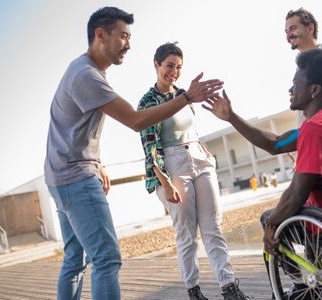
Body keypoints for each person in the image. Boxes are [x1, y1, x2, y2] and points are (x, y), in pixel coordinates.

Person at [44, 7, 223, 300]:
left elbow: (73, 128)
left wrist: (99, 162)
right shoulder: (86, 75)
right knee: (106, 259)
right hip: (75, 177)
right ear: (100, 35)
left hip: (61, 175)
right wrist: (186, 97)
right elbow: (136, 120)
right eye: (124, 36)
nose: (128, 44)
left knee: (75, 260)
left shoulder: (84, 70)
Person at [204, 48, 322, 299]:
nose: (290, 90)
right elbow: (275, 143)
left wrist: (272, 225)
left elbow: (296, 194)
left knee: (269, 218)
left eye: (295, 84)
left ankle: (300, 284)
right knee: (278, 214)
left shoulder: (315, 129)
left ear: (314, 90)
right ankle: (307, 280)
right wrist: (231, 117)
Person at [137, 43, 249, 300]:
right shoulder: (148, 102)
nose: (173, 72)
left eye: (178, 67)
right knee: (186, 232)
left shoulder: (183, 94)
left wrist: (202, 149)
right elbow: (150, 145)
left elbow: (190, 130)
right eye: (169, 66)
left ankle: (229, 287)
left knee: (214, 227)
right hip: (171, 163)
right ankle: (194, 291)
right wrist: (164, 181)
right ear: (156, 65)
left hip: (199, 159)